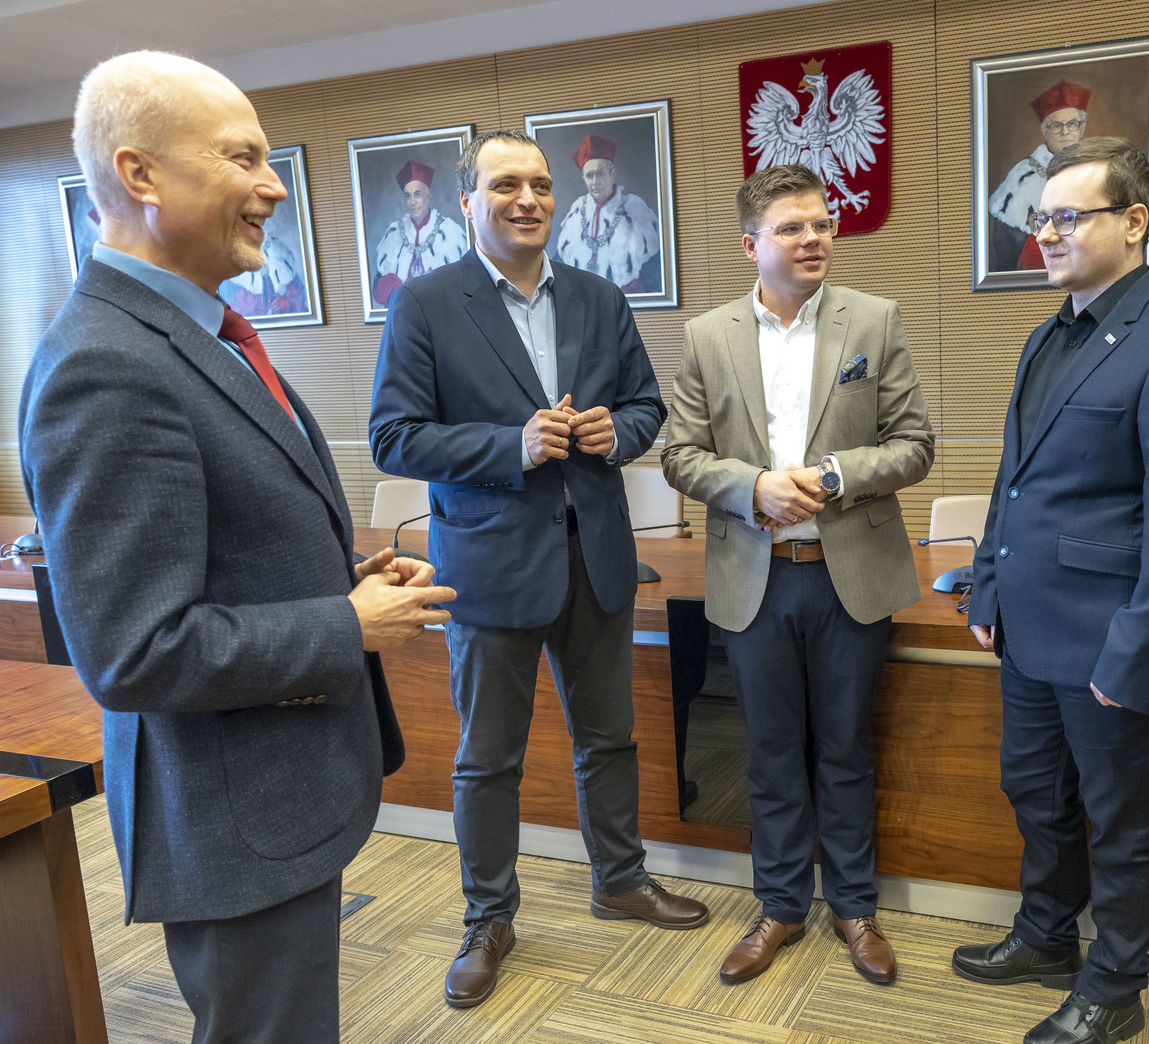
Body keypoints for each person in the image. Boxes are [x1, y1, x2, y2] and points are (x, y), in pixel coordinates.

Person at [19, 50, 455, 1044]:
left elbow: (219, 546)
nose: (273, 187)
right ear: (139, 174)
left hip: (274, 792)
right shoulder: (105, 367)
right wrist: (345, 625)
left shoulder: (198, 333)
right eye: (241, 157)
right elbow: (133, 651)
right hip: (230, 813)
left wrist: (341, 580)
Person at [369, 127, 708, 1011]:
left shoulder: (599, 297)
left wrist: (616, 431)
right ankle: (488, 918)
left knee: (611, 740)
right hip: (488, 569)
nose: (528, 200)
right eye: (505, 185)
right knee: (489, 760)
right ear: (466, 202)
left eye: (541, 185)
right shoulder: (424, 305)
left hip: (596, 559)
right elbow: (393, 437)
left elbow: (647, 405)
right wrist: (510, 446)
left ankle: (619, 880)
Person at [958, 136, 1149, 1044]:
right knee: (1035, 793)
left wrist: (1137, 652)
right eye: (1039, 218)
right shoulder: (1050, 333)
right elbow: (1014, 481)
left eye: (1068, 217)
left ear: (1134, 221)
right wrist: (986, 589)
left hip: (1112, 636)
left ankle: (1115, 986)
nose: (1046, 233)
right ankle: (1046, 935)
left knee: (1120, 817)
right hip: (1029, 628)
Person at [660, 163, 933, 986]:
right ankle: (779, 906)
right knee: (772, 752)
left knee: (845, 749)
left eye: (822, 223)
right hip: (756, 577)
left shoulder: (873, 320)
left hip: (851, 573)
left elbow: (914, 445)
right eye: (792, 227)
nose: (814, 238)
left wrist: (838, 475)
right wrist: (753, 488)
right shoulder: (708, 336)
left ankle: (855, 907)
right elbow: (679, 455)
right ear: (752, 245)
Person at [988, 81, 1091, 272]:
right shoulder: (1024, 176)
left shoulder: (1095, 169)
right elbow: (1007, 254)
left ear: (1082, 127)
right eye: (1056, 126)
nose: (1065, 132)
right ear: (1045, 130)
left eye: (1072, 124)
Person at [554, 133, 663, 293]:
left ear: (612, 175)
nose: (595, 182)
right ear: (584, 178)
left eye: (600, 173)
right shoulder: (577, 209)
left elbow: (654, 264)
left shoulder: (635, 207)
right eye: (590, 176)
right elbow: (562, 262)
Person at [372, 159, 471, 305]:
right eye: (408, 196)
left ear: (428, 196)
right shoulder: (393, 233)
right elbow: (378, 292)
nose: (412, 202)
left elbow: (465, 285)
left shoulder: (450, 231)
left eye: (417, 194)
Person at [222, 230, 307, 316]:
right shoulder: (237, 278)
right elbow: (230, 311)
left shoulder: (283, 265)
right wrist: (253, 304)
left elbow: (301, 300)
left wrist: (288, 302)